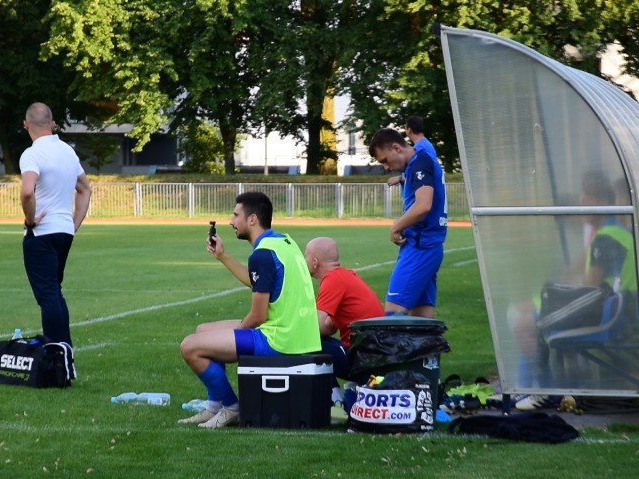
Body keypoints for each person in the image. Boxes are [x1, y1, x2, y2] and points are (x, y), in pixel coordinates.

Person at [178, 192, 321, 428]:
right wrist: (222, 257)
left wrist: (237, 340)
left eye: (236, 215)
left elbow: (257, 316)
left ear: (252, 219)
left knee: (190, 346)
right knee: (203, 331)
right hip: (298, 335)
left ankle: (232, 407)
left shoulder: (262, 254)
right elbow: (259, 281)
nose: (231, 222)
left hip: (280, 340)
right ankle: (214, 407)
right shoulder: (284, 242)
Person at [510, 171, 636, 410]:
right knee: (534, 315)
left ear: (598, 203)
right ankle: (524, 389)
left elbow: (588, 291)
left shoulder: (606, 238)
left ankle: (540, 391)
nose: (579, 207)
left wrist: (551, 298)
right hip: (619, 307)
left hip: (608, 313)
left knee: (525, 324)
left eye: (583, 201)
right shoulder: (614, 231)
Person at [20, 102, 92, 347]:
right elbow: (84, 189)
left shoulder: (32, 154)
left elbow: (28, 192)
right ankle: (64, 350)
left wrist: (30, 221)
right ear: (52, 124)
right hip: (64, 231)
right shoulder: (68, 151)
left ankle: (55, 352)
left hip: (41, 233)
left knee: (48, 295)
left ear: (25, 124)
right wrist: (73, 224)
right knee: (55, 291)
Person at [369, 128, 447, 318]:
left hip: (420, 247)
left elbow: (423, 206)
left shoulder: (420, 162)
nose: (386, 167)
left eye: (385, 160)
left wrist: (396, 227)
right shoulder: (417, 162)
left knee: (393, 317)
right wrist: (402, 178)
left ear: (396, 148)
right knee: (421, 318)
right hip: (427, 246)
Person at [304, 237, 385, 408]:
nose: (305, 261)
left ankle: (335, 401)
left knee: (303, 344)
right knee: (315, 342)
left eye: (306, 256)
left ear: (315, 262)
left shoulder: (332, 280)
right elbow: (329, 327)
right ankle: (341, 396)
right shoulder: (346, 276)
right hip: (376, 355)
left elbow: (315, 329)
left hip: (363, 359)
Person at [387, 116, 438, 188]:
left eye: (405, 128)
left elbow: (422, 173)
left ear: (409, 130)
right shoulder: (426, 145)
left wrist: (399, 178)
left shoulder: (420, 148)